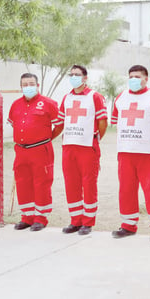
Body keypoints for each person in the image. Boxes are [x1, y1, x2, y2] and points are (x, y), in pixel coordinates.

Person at [110, 65, 150, 242]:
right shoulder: (121, 97)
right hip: (126, 152)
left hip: (149, 152)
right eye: (131, 76)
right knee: (126, 189)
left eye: (137, 76)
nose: (133, 79)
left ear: (146, 79)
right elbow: (115, 121)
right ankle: (128, 225)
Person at [53, 65, 108, 235]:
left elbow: (102, 122)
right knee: (71, 184)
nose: (74, 77)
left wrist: (95, 139)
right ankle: (75, 220)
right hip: (69, 146)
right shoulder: (67, 98)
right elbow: (61, 123)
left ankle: (88, 222)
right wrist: (48, 137)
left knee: (89, 184)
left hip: (87, 147)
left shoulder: (95, 97)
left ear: (85, 78)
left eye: (77, 74)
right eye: (71, 74)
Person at [8, 73, 61, 231]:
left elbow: (59, 125)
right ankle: (27, 217)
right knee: (23, 183)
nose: (28, 87)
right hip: (21, 151)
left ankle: (40, 218)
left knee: (41, 183)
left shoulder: (49, 103)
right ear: (21, 87)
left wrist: (47, 138)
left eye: (31, 84)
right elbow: (14, 125)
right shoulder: (16, 105)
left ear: (37, 86)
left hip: (41, 149)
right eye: (25, 84)